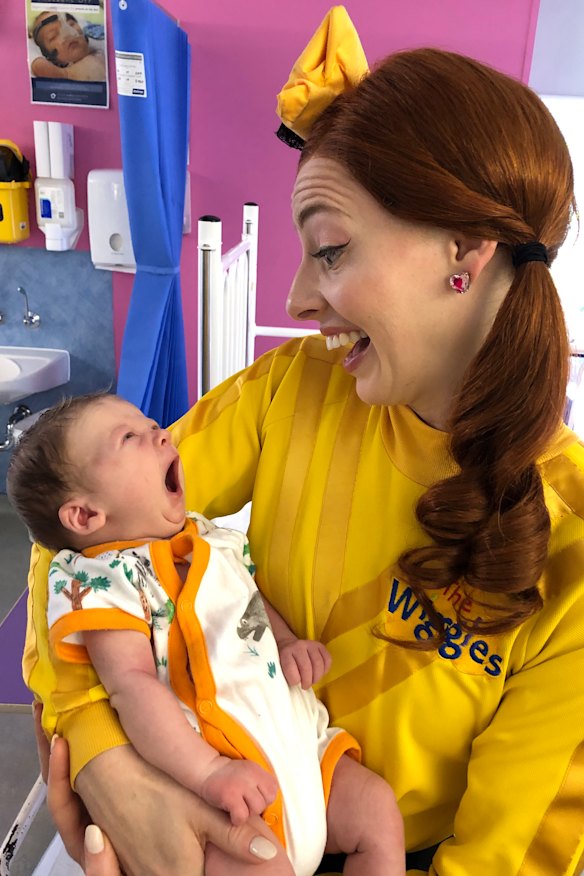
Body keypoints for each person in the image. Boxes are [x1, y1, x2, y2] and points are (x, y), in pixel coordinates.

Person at [22, 36, 584, 876]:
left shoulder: (569, 536)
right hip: (213, 802)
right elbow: (72, 540)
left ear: (465, 253)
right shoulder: (293, 389)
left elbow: (509, 854)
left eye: (330, 250)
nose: (295, 298)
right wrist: (110, 765)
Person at [8, 393, 404, 876]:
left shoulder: (209, 538)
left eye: (152, 425)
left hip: (303, 755)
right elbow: (131, 687)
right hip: (220, 782)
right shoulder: (102, 578)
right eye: (130, 437)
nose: (162, 433)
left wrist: (284, 645)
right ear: (86, 516)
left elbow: (248, 600)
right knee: (260, 866)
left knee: (377, 809)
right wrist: (209, 772)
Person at [30, 11, 106, 81]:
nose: (68, 34)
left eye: (71, 24)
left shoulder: (103, 40)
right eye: (53, 36)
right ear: (50, 57)